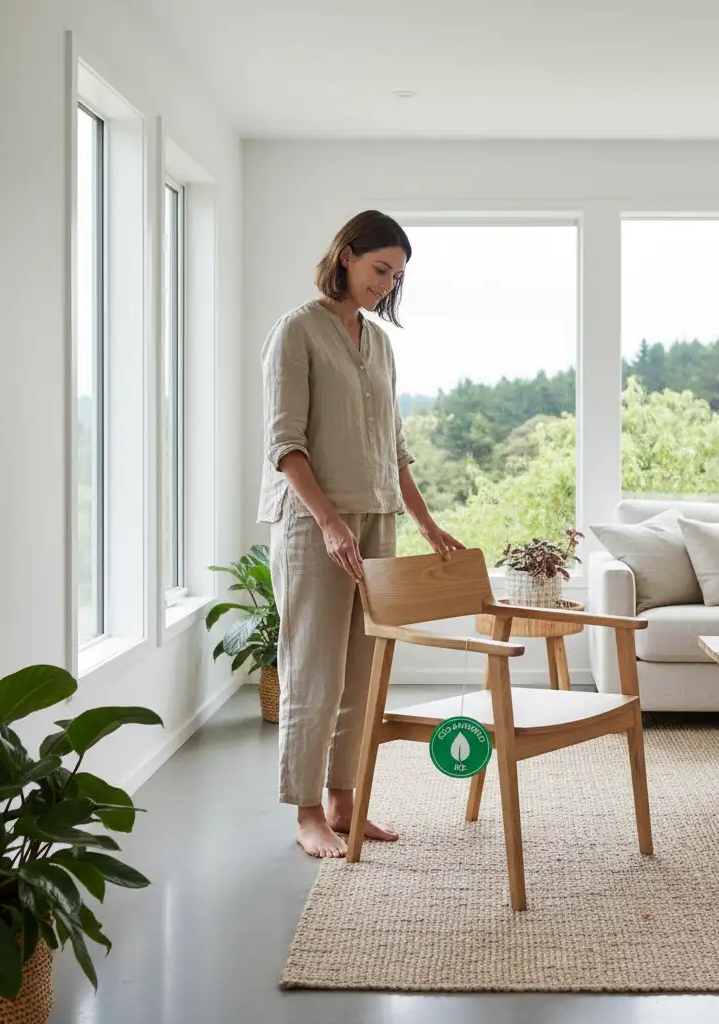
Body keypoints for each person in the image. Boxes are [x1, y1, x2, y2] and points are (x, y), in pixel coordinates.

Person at [257, 210, 464, 858]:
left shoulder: (379, 343)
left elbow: (393, 448)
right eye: (380, 269)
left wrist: (427, 523)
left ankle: (346, 803)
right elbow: (285, 446)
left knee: (362, 673)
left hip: (375, 523)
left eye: (396, 276)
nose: (386, 284)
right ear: (346, 255)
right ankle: (306, 813)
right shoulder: (297, 332)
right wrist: (328, 523)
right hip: (315, 525)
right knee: (312, 673)